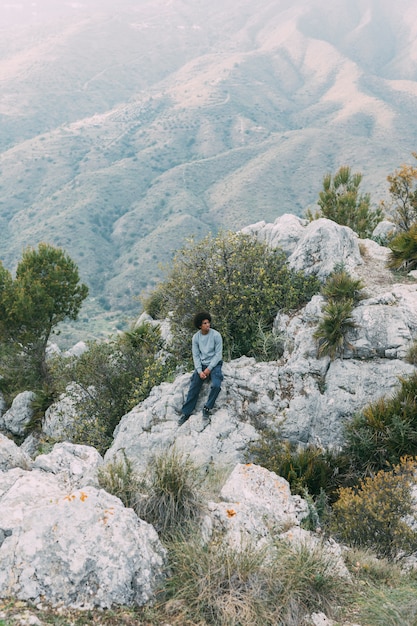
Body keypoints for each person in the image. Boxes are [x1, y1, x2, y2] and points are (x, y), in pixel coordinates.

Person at [178, 311, 223, 426]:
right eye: (205, 323)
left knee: (216, 385)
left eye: (208, 322)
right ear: (200, 326)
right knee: (194, 386)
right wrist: (199, 371)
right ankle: (186, 413)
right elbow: (196, 355)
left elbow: (218, 355)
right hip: (202, 364)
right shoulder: (196, 338)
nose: (208, 325)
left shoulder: (216, 335)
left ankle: (207, 408)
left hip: (215, 363)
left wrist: (209, 369)